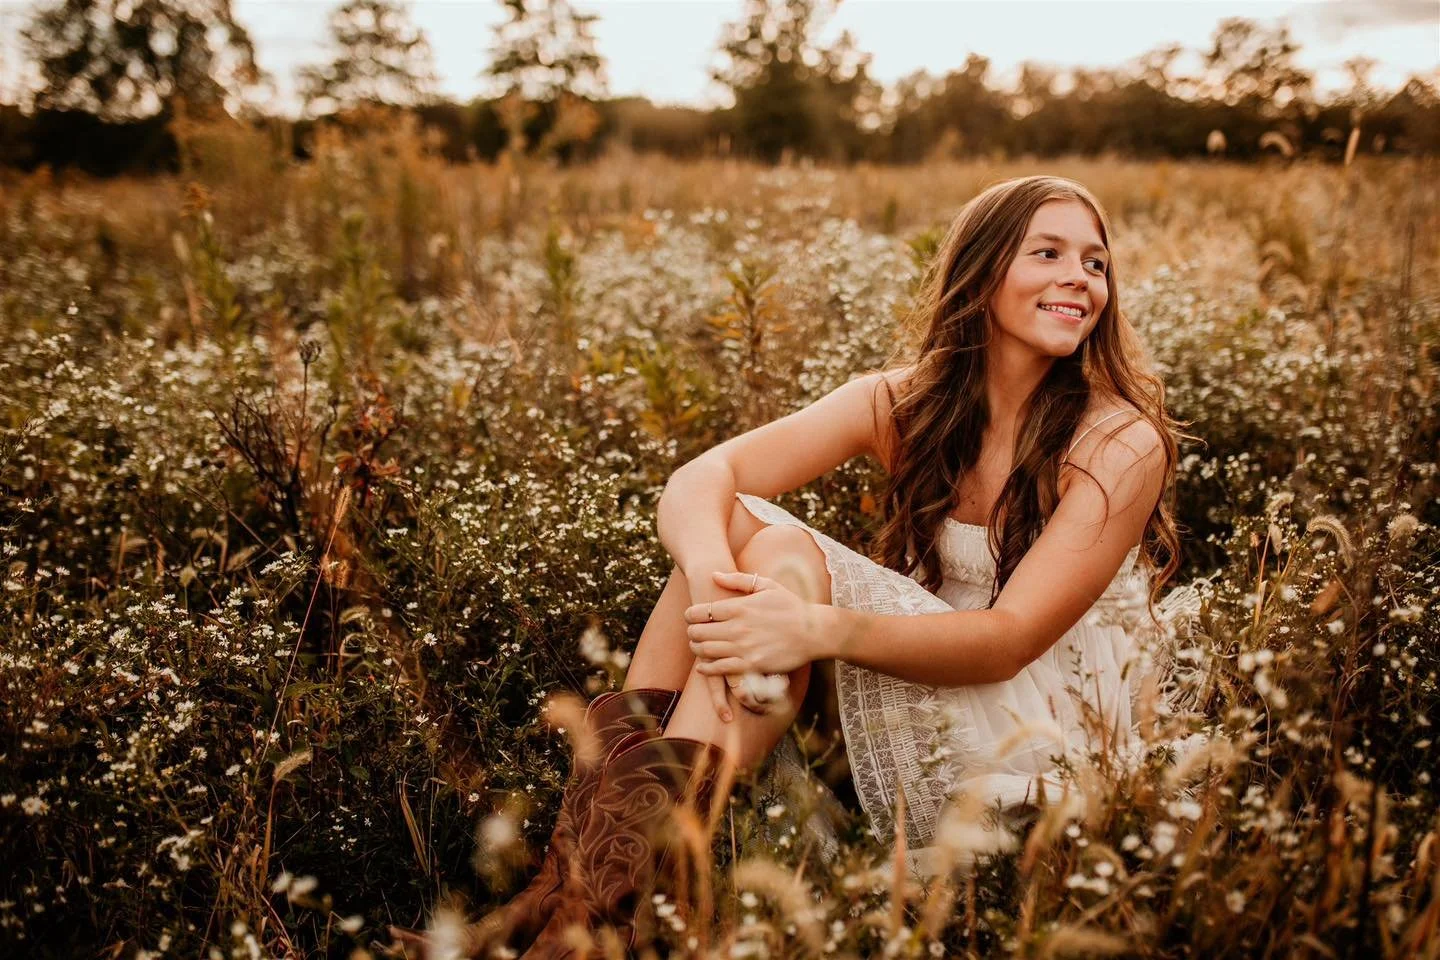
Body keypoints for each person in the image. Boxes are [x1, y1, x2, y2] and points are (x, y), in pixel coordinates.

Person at [388, 174, 1205, 960]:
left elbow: (1007, 640)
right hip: (918, 678)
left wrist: (807, 624)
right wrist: (714, 585)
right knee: (734, 540)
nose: (1080, 279)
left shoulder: (1118, 443)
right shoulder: (906, 400)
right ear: (983, 270)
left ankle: (574, 907)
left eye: (1095, 262)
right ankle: (587, 910)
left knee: (777, 548)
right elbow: (699, 479)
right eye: (1049, 254)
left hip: (1031, 726)